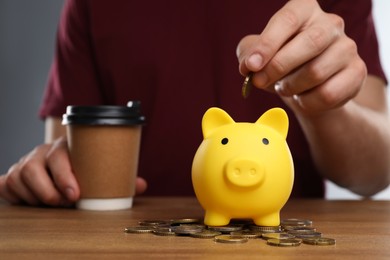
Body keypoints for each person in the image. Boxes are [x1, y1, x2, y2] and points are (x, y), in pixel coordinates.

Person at [1, 0, 389, 207]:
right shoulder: (89, 4)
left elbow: (377, 171)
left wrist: (317, 96)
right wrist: (52, 170)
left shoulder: (324, 8)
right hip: (129, 246)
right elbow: (64, 150)